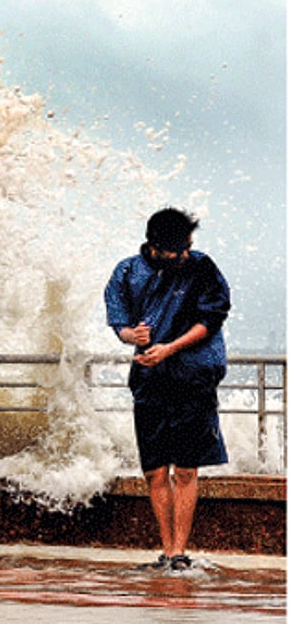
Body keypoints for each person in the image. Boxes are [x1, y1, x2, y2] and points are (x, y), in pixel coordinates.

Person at [104, 208, 230, 573]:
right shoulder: (127, 271)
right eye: (179, 249)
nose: (186, 254)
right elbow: (120, 323)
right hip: (149, 381)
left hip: (193, 377)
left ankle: (179, 551)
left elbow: (211, 319)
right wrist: (133, 336)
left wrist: (169, 348)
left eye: (189, 246)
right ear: (156, 247)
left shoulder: (202, 267)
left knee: (186, 469)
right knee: (155, 471)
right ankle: (165, 549)